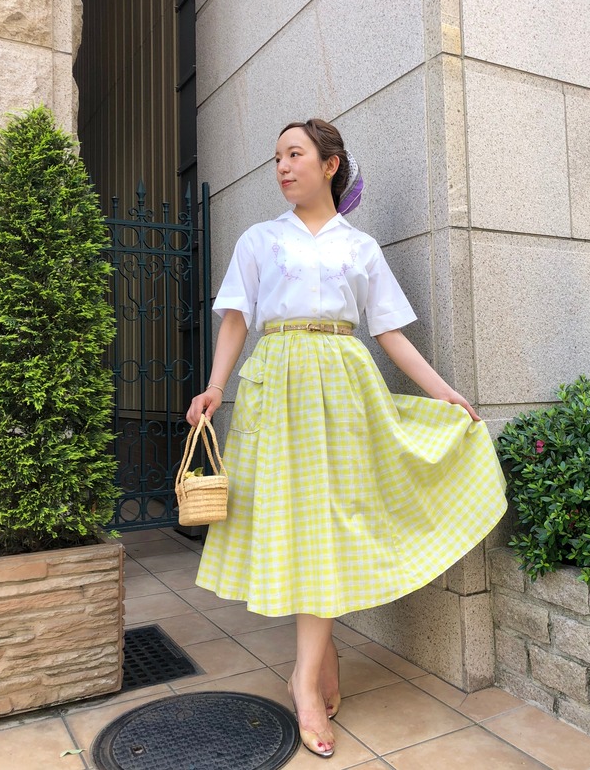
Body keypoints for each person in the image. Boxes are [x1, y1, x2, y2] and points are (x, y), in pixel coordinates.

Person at [186, 118, 507, 758]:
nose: (281, 166)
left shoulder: (360, 248)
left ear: (329, 164)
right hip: (277, 386)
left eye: (295, 154)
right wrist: (215, 386)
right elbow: (236, 321)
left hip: (344, 388)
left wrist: (443, 390)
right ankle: (318, 658)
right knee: (298, 524)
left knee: (331, 524)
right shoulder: (257, 239)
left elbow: (389, 332)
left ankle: (305, 676)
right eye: (276, 156)